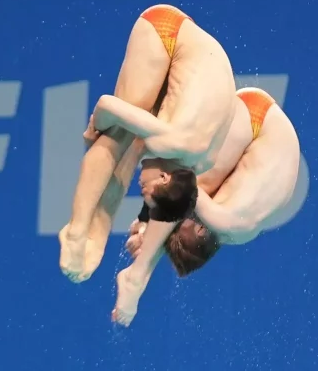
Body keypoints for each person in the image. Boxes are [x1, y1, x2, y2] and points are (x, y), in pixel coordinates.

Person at [57, 4, 237, 283]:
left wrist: (137, 227)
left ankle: (97, 236)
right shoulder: (176, 141)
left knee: (130, 149)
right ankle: (76, 232)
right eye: (145, 191)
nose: (140, 187)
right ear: (165, 178)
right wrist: (96, 128)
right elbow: (106, 105)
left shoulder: (198, 163)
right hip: (167, 31)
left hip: (201, 60)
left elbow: (129, 170)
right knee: (116, 137)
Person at [112, 86, 300, 326]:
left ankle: (138, 275)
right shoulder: (225, 220)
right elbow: (179, 187)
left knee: (184, 185)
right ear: (201, 230)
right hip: (258, 121)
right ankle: (136, 277)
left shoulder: (234, 231)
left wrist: (146, 227)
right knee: (184, 179)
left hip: (267, 128)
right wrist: (144, 231)